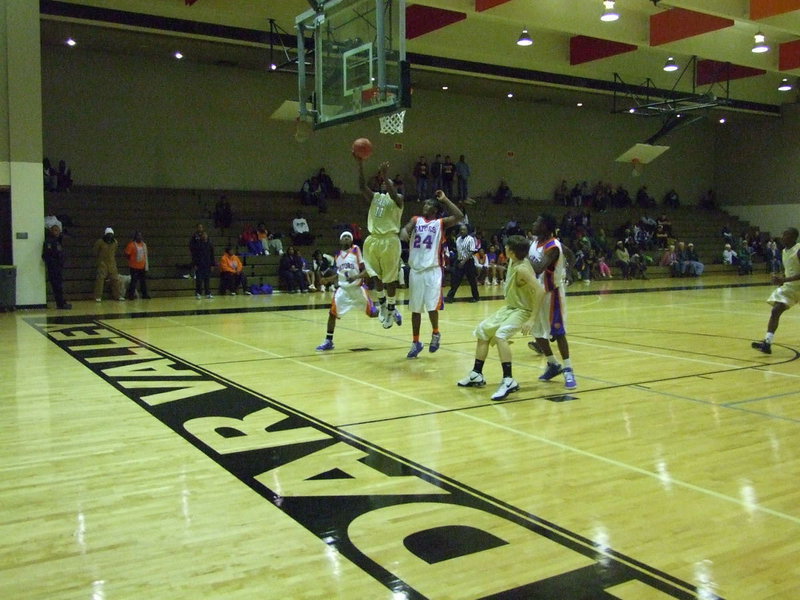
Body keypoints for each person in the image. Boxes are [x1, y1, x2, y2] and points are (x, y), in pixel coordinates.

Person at [457, 235, 543, 400]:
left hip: (522, 310)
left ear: (511, 251)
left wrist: (532, 319)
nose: (504, 248)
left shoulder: (522, 269)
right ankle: (476, 374)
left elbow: (540, 290)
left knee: (501, 335)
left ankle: (509, 380)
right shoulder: (513, 261)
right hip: (510, 308)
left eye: (507, 247)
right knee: (482, 331)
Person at [400, 190, 463, 358]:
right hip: (416, 271)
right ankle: (416, 342)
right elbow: (406, 228)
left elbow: (459, 216)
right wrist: (404, 232)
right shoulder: (416, 220)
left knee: (431, 306)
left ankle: (435, 333)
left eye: (428, 204)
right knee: (415, 309)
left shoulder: (440, 223)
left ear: (435, 210)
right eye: (425, 204)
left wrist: (445, 199)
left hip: (433, 270)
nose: (425, 206)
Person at [528, 214, 577, 390]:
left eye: (538, 222)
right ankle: (553, 363)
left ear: (547, 228)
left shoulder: (553, 246)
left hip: (552, 294)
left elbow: (539, 267)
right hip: (537, 293)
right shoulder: (535, 242)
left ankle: (568, 369)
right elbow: (570, 255)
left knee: (558, 332)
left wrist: (568, 271)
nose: (534, 224)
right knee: (536, 331)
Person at [357, 157, 404, 328]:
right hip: (373, 240)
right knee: (375, 276)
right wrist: (360, 164)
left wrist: (385, 176)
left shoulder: (398, 198)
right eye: (383, 182)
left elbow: (393, 193)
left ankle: (391, 308)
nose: (384, 183)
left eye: (388, 182)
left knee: (390, 279)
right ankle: (383, 304)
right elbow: (362, 187)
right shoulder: (376, 197)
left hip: (390, 240)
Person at [315, 232, 380, 351]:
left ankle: (389, 311)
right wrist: (327, 280)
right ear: (340, 241)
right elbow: (338, 274)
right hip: (343, 290)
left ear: (351, 241)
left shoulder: (356, 250)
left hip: (357, 289)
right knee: (332, 314)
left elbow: (366, 270)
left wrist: (356, 277)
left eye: (348, 237)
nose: (346, 238)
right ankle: (328, 341)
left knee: (372, 314)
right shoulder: (337, 255)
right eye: (344, 237)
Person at [751, 227, 800, 355]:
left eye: (786, 235)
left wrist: (784, 279)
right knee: (776, 310)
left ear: (794, 237)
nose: (783, 237)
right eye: (783, 234)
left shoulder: (799, 250)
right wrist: (782, 280)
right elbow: (791, 269)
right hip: (792, 287)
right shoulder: (784, 251)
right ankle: (767, 342)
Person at [445, 224, 480, 303]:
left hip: (468, 262)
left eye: (464, 229)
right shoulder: (458, 239)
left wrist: (464, 261)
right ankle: (450, 297)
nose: (462, 231)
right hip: (459, 261)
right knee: (455, 280)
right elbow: (459, 251)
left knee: (472, 281)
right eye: (461, 229)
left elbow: (472, 252)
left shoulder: (471, 239)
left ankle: (476, 297)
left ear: (467, 231)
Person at [42, 221, 71, 309]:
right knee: (57, 286)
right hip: (53, 267)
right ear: (51, 231)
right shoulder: (49, 241)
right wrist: (53, 264)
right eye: (55, 230)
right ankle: (60, 304)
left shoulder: (57, 241)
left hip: (58, 267)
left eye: (58, 231)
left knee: (59, 285)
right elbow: (47, 255)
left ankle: (61, 301)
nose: (57, 232)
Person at [93, 227, 123, 302]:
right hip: (102, 263)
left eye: (111, 235)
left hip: (112, 263)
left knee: (115, 280)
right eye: (108, 235)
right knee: (100, 280)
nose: (110, 236)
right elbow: (95, 251)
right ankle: (98, 296)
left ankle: (118, 296)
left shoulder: (115, 242)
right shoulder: (100, 242)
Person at [124, 230, 150, 300]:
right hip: (134, 267)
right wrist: (131, 261)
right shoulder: (131, 245)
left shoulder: (144, 245)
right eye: (138, 235)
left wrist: (146, 266)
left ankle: (144, 294)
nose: (139, 237)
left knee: (143, 282)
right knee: (133, 281)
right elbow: (127, 254)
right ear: (135, 237)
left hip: (142, 266)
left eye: (140, 235)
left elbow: (145, 256)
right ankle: (131, 295)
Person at [191, 230, 215, 298]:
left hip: (207, 264)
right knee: (199, 280)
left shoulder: (210, 244)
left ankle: (207, 293)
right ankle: (198, 293)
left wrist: (212, 264)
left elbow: (212, 255)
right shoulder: (198, 245)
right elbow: (194, 255)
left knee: (207, 280)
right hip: (199, 265)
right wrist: (194, 264)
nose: (204, 236)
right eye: (203, 235)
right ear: (201, 236)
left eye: (205, 235)